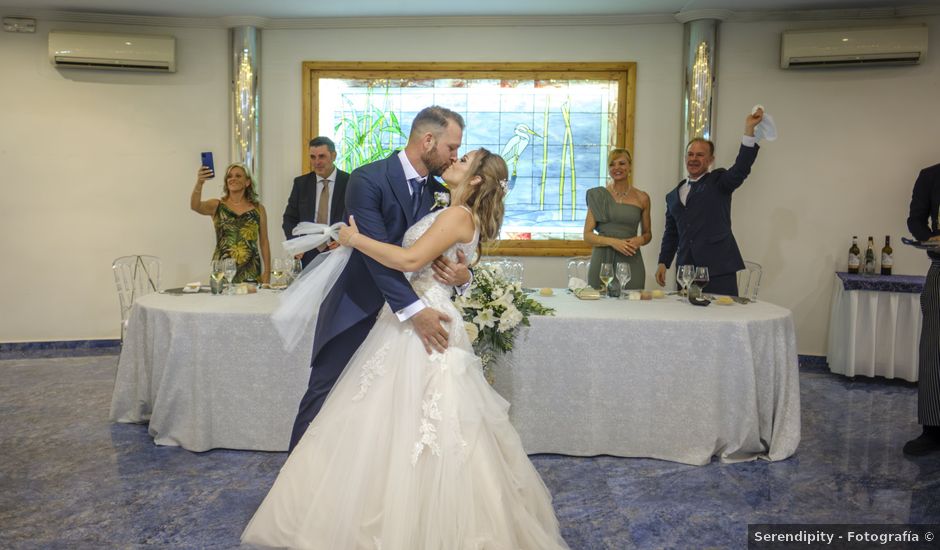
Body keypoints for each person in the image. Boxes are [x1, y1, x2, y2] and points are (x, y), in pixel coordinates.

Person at [242, 148, 569, 549]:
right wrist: (462, 275)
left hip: (422, 324)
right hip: (405, 318)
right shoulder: (453, 210)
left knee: (410, 421)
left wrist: (354, 238)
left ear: (479, 180)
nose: (454, 160)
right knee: (390, 422)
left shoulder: (456, 215)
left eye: (463, 159)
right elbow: (448, 258)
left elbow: (410, 257)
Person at [286, 106, 471, 452]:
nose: (454, 157)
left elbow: (448, 251)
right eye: (451, 148)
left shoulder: (440, 192)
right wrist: (417, 312)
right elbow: (378, 256)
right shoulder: (367, 179)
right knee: (325, 392)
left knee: (396, 407)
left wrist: (464, 275)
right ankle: (290, 482)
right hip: (359, 304)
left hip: (407, 318)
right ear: (428, 140)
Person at [655, 108, 764, 296]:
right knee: (689, 322)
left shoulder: (719, 181)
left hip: (719, 269)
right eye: (690, 154)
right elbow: (671, 233)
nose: (694, 159)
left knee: (724, 320)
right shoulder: (672, 195)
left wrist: (749, 132)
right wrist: (663, 262)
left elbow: (740, 169)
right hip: (686, 272)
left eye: (700, 155)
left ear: (710, 160)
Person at [904, 162, 940, 456]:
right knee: (933, 352)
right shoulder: (930, 176)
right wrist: (930, 238)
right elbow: (915, 220)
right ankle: (932, 430)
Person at [190, 162, 270, 284]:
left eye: (238, 176)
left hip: (250, 270)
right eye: (229, 176)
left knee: (250, 303)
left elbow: (264, 241)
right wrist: (200, 182)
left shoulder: (258, 209)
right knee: (221, 303)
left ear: (247, 182)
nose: (233, 178)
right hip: (221, 271)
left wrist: (267, 272)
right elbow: (195, 206)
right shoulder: (217, 205)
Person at [583, 148, 651, 290]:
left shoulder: (642, 197)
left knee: (632, 305)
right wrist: (613, 242)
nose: (617, 168)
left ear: (630, 167)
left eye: (622, 163)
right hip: (602, 260)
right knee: (598, 307)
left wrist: (640, 240)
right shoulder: (598, 196)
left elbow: (648, 235)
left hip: (630, 258)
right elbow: (587, 235)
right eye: (612, 164)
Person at [282, 136, 350, 267]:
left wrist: (344, 241)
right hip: (307, 253)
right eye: (313, 157)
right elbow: (289, 218)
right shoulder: (300, 184)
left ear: (333, 156)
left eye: (322, 156)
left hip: (339, 251)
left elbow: (355, 218)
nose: (317, 162)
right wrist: (296, 244)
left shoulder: (349, 182)